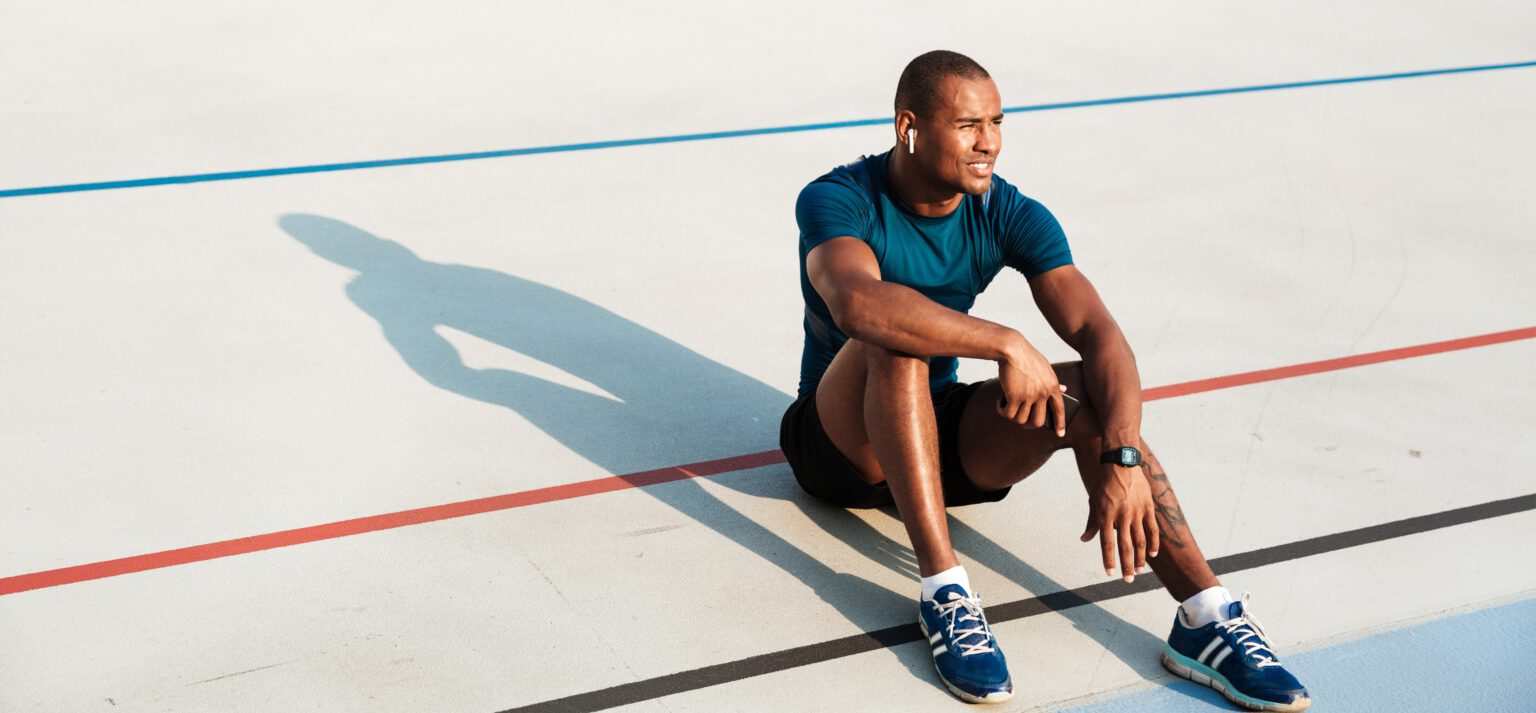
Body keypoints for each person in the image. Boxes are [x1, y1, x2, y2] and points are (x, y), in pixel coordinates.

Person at [779, 50, 1311, 711]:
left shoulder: (1006, 211)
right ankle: (945, 592)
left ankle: (1205, 615)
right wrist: (1006, 341)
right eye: (969, 124)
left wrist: (1119, 450)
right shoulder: (838, 198)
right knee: (894, 338)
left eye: (998, 121)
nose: (990, 142)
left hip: (940, 432)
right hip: (837, 445)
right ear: (909, 127)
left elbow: (1101, 336)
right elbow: (857, 303)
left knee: (1092, 393)